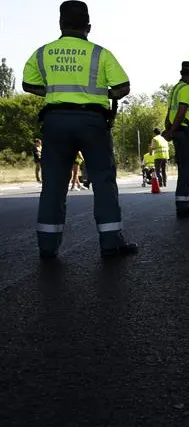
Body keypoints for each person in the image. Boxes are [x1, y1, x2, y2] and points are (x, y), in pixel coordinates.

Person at [21, 0, 138, 259]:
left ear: (61, 25)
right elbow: (122, 88)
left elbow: (28, 84)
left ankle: (47, 247)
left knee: (53, 185)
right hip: (91, 123)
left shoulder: (42, 53)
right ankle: (111, 244)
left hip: (55, 122)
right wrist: (99, 93)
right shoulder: (100, 53)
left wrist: (54, 91)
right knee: (103, 181)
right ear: (88, 26)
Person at [162, 61, 189, 218]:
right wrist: (171, 130)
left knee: (184, 168)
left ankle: (188, 201)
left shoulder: (175, 88)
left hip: (177, 131)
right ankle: (183, 206)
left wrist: (168, 130)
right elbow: (181, 111)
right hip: (185, 130)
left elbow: (169, 112)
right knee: (188, 171)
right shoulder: (186, 89)